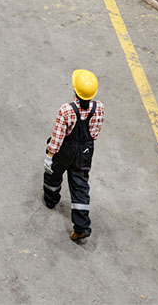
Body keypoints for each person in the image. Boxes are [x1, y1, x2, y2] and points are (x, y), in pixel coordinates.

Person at [43, 70, 105, 241]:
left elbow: (57, 138)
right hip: (84, 152)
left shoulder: (66, 110)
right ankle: (82, 227)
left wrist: (49, 155)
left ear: (75, 91)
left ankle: (51, 199)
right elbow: (94, 133)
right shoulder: (98, 108)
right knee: (80, 186)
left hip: (65, 150)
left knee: (53, 175)